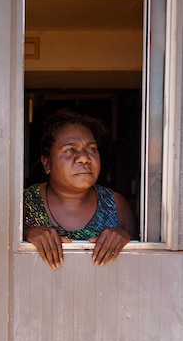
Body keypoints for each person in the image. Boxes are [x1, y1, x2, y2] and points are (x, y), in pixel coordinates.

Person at [24, 108, 138, 269]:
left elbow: (139, 269)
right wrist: (26, 234)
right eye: (70, 150)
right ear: (47, 163)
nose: (84, 158)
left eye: (91, 149)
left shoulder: (117, 205)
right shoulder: (24, 204)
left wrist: (127, 238)